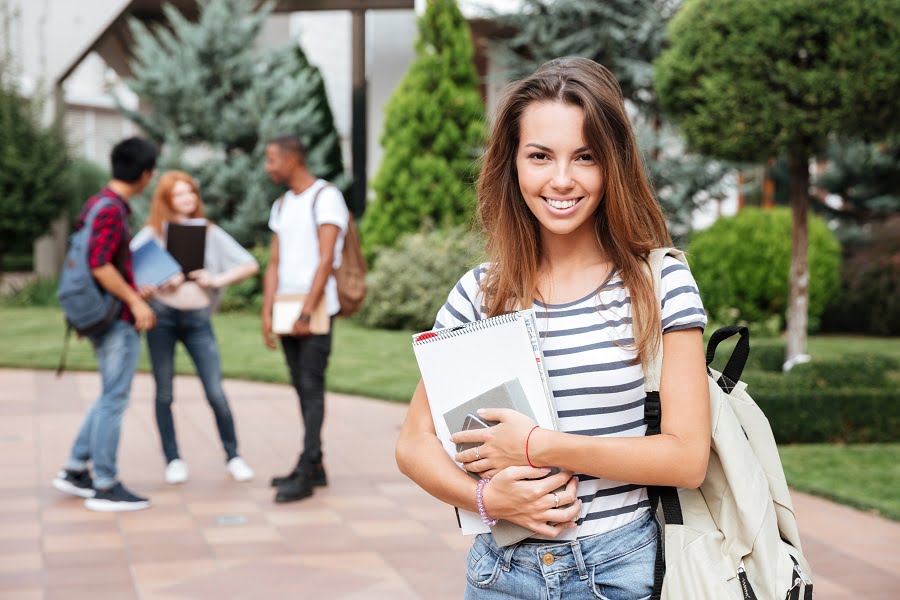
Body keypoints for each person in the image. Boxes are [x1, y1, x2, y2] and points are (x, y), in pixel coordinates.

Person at [395, 57, 711, 599]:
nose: (561, 180)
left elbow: (686, 457)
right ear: (512, 164)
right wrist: (488, 501)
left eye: (584, 158)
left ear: (612, 165)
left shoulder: (659, 284)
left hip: (619, 570)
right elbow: (413, 446)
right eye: (540, 156)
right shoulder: (480, 292)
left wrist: (539, 445)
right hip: (501, 574)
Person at [130, 171, 259, 485]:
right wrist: (154, 284)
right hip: (162, 318)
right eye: (179, 194)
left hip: (198, 318)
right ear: (166, 200)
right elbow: (129, 273)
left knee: (215, 391)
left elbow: (249, 263)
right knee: (164, 392)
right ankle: (173, 459)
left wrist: (215, 279)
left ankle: (234, 456)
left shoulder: (208, 232)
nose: (187, 199)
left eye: (191, 193)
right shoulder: (152, 235)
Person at [52, 137, 159, 512]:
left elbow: (104, 261)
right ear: (145, 174)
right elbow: (99, 263)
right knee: (115, 398)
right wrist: (133, 300)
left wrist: (132, 286)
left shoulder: (97, 204)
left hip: (100, 312)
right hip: (115, 319)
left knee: (108, 394)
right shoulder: (112, 210)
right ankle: (105, 484)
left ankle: (75, 468)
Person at [261, 135, 350, 503]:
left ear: (292, 160)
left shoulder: (325, 196)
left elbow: (326, 259)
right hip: (286, 306)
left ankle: (307, 466)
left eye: (271, 161)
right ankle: (315, 465)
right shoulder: (282, 203)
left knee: (311, 387)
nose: (268, 168)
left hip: (314, 310)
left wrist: (307, 310)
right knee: (300, 385)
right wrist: (267, 311)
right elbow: (275, 262)